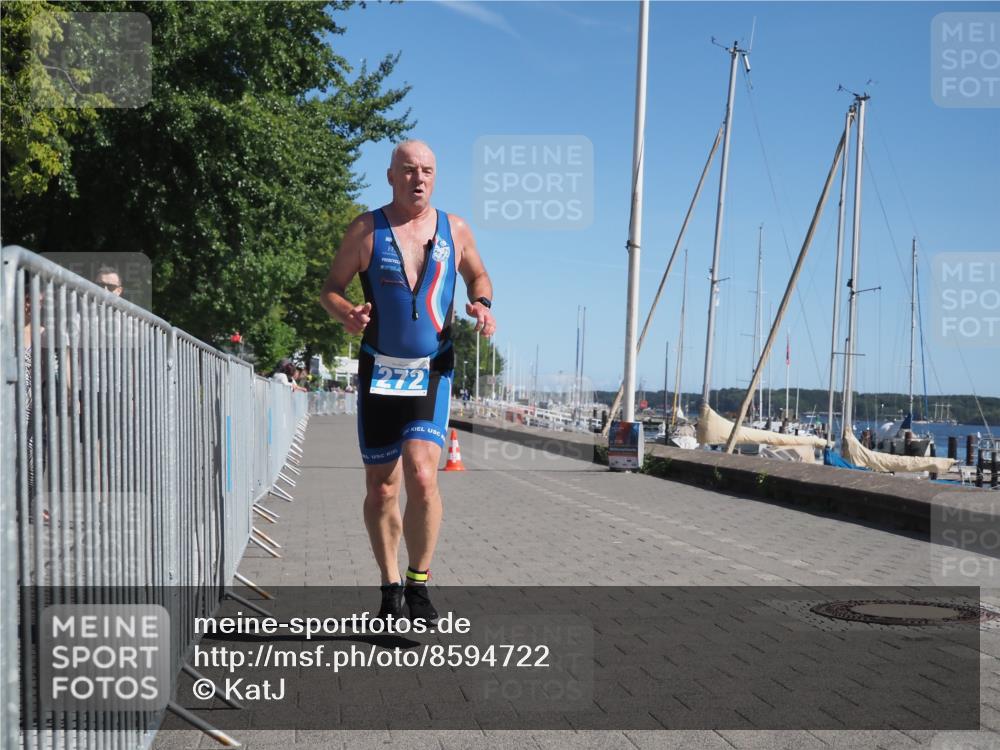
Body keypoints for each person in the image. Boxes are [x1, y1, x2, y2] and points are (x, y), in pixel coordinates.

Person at [320, 140, 496, 623]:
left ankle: (419, 585)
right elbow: (330, 289)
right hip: (379, 368)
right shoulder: (365, 229)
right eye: (409, 170)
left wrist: (483, 304)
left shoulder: (454, 229)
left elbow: (479, 274)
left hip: (432, 368)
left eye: (428, 170)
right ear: (391, 176)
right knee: (381, 487)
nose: (419, 178)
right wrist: (346, 314)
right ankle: (390, 585)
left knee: (421, 473)